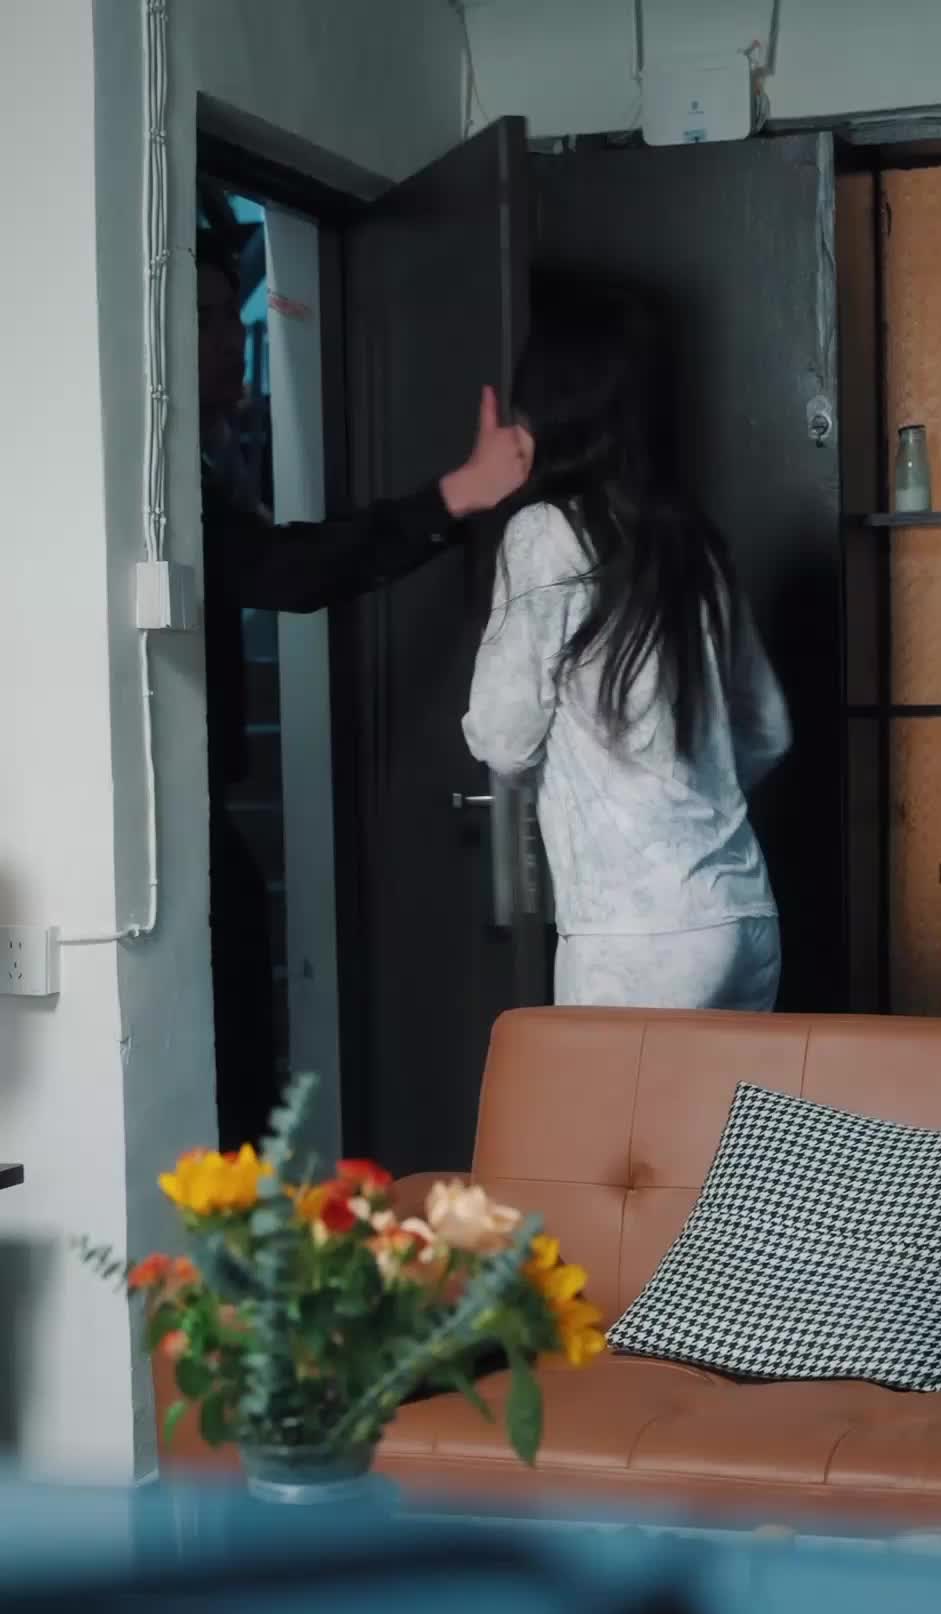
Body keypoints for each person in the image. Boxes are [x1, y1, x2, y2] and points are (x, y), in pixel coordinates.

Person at [197, 226, 532, 1146]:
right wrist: (458, 494)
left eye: (229, 315)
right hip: (183, 839)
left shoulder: (205, 469)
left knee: (242, 1085)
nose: (230, 339)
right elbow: (283, 569)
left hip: (209, 829)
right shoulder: (166, 481)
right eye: (212, 319)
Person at [462, 279, 790, 1012]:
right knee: (728, 1099)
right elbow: (767, 730)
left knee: (607, 1098)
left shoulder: (545, 534)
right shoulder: (690, 541)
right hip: (742, 912)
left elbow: (503, 739)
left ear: (553, 409)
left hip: (636, 936)